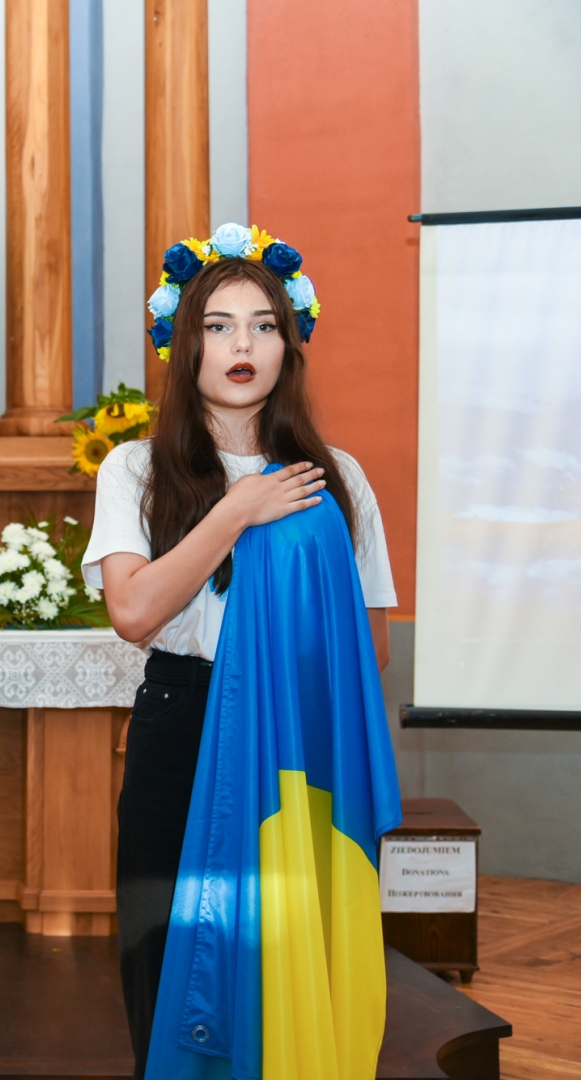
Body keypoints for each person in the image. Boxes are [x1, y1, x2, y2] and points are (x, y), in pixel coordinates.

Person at [81, 227, 397, 1080]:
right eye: (218, 327)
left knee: (283, 950)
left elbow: (368, 646)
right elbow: (133, 611)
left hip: (293, 735)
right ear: (185, 346)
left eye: (262, 325)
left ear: (289, 344)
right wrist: (235, 511)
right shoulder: (137, 470)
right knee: (169, 958)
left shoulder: (337, 478)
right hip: (183, 723)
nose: (241, 345)